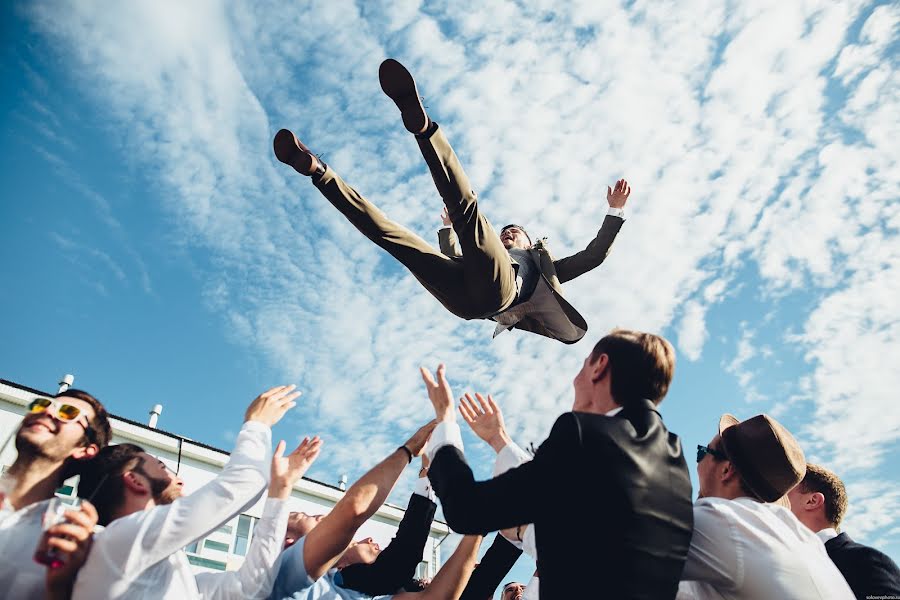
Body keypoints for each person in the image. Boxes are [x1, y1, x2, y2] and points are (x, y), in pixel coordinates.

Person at [273, 58, 630, 344]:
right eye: (505, 232)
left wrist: (615, 211)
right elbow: (454, 257)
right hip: (463, 292)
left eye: (514, 232)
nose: (508, 234)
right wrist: (447, 232)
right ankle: (319, 171)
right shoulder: (484, 251)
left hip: (496, 296)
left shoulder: (544, 267)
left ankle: (425, 128)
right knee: (392, 238)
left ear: (528, 241)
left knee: (468, 211)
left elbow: (594, 255)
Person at [421, 329, 694, 598]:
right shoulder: (675, 462)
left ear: (600, 366)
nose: (575, 380)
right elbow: (584, 540)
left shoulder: (582, 433)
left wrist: (445, 424)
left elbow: (466, 510)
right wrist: (499, 440)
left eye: (582, 367)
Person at [70, 385, 306, 600]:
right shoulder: (120, 539)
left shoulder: (170, 571)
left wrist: (280, 491)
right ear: (134, 480)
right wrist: (257, 424)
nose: (179, 479)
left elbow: (250, 588)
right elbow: (243, 484)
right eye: (162, 467)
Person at [268, 420, 483, 600]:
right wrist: (409, 450)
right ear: (287, 541)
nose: (321, 516)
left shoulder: (355, 592)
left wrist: (480, 526)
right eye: (305, 516)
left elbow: (434, 597)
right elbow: (353, 511)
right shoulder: (278, 575)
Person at [677, 415, 855, 599]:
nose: (698, 461)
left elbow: (648, 539)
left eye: (703, 452)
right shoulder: (805, 541)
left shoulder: (724, 519)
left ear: (726, 470)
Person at [0, 389, 112, 599]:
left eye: (68, 412)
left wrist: (59, 589)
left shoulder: (71, 541)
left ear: (84, 449)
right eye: (41, 404)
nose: (48, 412)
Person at [788, 463, 900, 599]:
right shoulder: (784, 561)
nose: (773, 501)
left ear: (812, 501)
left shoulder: (864, 560)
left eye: (784, 492)